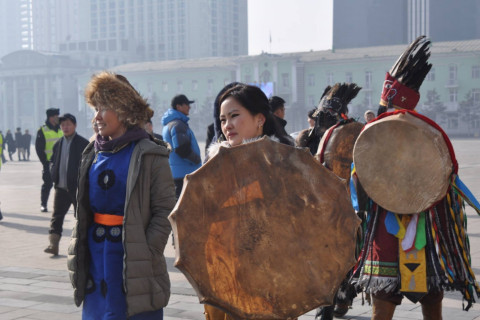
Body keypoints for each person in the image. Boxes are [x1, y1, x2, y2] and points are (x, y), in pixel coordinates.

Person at [67, 71, 176, 319]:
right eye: (95, 109)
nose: (96, 117)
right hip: (96, 255)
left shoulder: (150, 154)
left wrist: (147, 250)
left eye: (104, 108)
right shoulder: (91, 153)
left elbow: (165, 209)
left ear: (125, 111)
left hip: (132, 256)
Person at [204, 83, 294, 320]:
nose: (227, 126)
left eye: (234, 116)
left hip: (270, 277)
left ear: (260, 119)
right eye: (223, 119)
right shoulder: (213, 169)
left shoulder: (283, 164)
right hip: (224, 274)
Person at [44, 113, 88, 256]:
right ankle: (53, 244)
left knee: (80, 217)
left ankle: (81, 246)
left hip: (77, 189)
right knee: (56, 216)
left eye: (68, 124)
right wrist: (53, 174)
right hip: (61, 188)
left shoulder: (83, 143)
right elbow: (52, 162)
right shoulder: (58, 144)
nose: (65, 127)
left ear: (74, 125)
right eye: (63, 125)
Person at [161, 94, 201, 198]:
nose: (189, 107)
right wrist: (197, 160)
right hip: (185, 174)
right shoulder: (178, 125)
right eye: (187, 104)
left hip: (177, 174)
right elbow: (181, 149)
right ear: (178, 106)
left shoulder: (170, 124)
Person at [35, 108, 63, 212]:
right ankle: (44, 204)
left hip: (62, 161)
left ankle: (60, 205)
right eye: (56, 116)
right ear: (51, 117)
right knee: (47, 184)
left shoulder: (61, 128)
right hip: (49, 163)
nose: (58, 118)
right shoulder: (42, 130)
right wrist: (45, 163)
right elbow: (39, 149)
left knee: (61, 185)